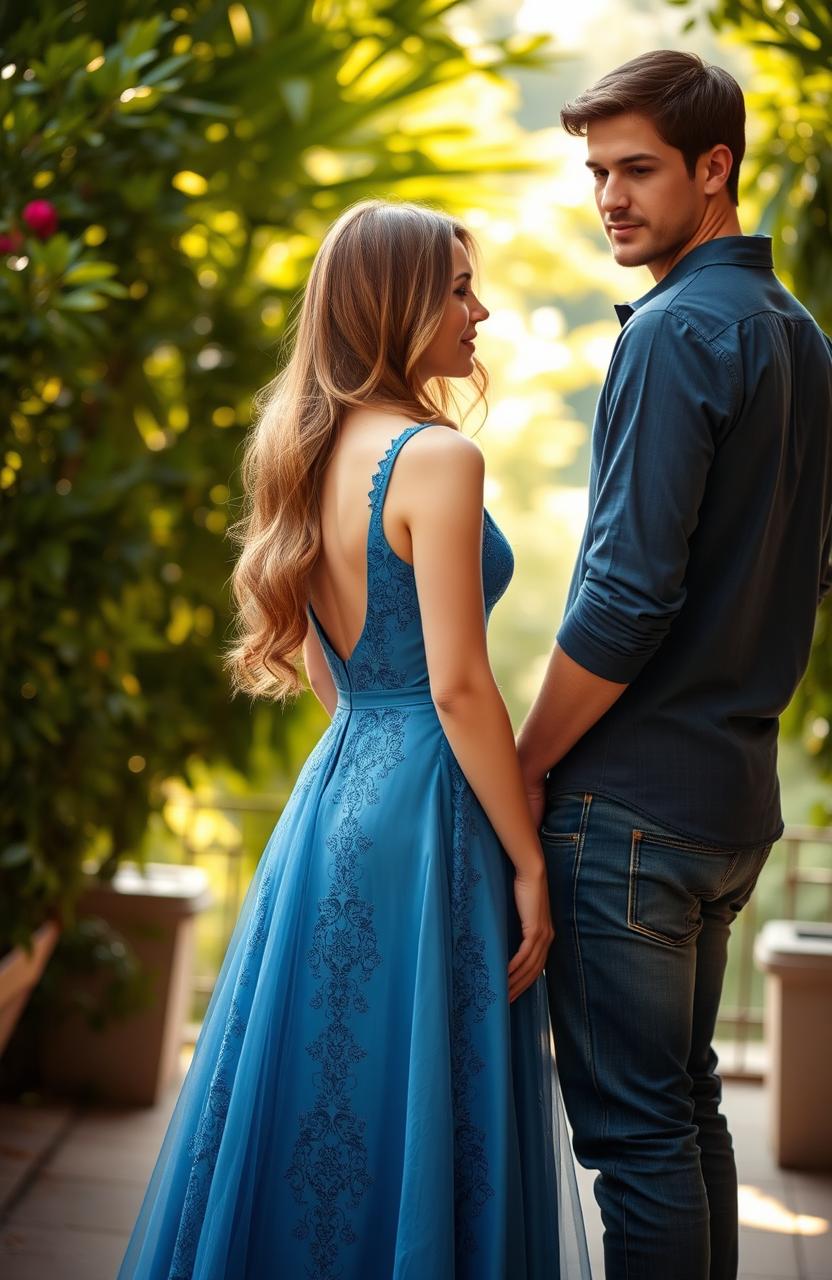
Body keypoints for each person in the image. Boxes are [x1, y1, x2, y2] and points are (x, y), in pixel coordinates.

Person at [118, 199, 590, 1279]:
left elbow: (334, 665)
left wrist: (378, 745)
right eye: (459, 287)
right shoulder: (437, 457)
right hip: (428, 799)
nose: (482, 311)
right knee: (414, 1079)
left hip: (336, 791)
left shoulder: (309, 445)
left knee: (317, 1093)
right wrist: (526, 857)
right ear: (396, 303)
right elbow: (463, 687)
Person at [517, 49, 832, 1280]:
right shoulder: (799, 335)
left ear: (716, 169)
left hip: (630, 808)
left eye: (637, 169)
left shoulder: (675, 334)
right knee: (684, 1112)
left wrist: (529, 761)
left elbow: (625, 592)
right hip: (730, 805)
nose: (608, 197)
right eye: (596, 171)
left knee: (638, 1137)